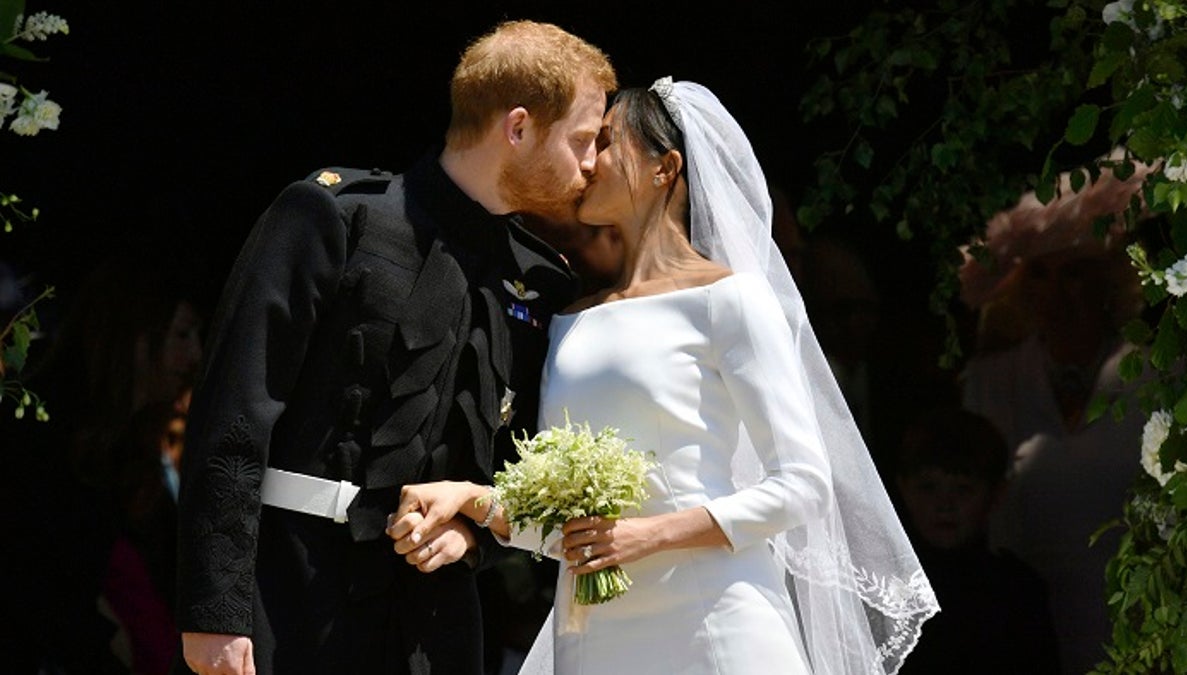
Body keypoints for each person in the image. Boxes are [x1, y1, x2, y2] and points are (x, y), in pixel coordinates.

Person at [387, 78, 938, 675]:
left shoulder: (730, 300)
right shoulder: (569, 319)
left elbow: (803, 485)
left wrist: (648, 536)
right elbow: (564, 529)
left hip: (717, 621)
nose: (588, 163)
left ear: (664, 169)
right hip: (595, 636)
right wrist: (469, 499)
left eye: (606, 144)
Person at [173, 20, 617, 675]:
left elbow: (524, 462)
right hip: (290, 594)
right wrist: (215, 610)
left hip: (433, 628)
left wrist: (473, 533)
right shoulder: (333, 217)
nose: (591, 165)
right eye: (582, 140)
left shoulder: (543, 282)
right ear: (517, 127)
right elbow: (234, 411)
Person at [957, 156, 1151, 674]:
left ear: (1106, 279)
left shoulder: (1152, 369)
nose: (1058, 292)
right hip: (1024, 625)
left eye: (1076, 273)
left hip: (1135, 618)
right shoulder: (992, 378)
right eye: (1040, 274)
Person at [1, 253, 204, 675]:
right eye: (181, 335)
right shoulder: (47, 437)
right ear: (134, 338)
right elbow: (42, 596)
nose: (195, 355)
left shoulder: (123, 446)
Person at [894, 406, 1059, 674]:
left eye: (962, 489)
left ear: (996, 493)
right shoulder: (884, 589)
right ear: (903, 488)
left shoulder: (1017, 591)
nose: (944, 505)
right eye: (928, 487)